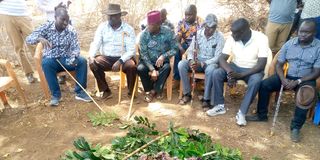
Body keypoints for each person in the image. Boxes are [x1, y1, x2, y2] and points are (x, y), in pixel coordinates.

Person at [247, 20, 320, 142]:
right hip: (286, 76)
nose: (303, 35)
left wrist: (298, 81)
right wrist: (283, 79)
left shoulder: (318, 47)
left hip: (306, 79)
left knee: (306, 94)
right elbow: (279, 65)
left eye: (307, 33)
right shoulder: (289, 44)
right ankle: (261, 114)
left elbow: (317, 72)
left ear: (314, 33)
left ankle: (296, 127)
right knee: (264, 85)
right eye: (301, 31)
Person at [207, 18, 270, 126]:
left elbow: (261, 65)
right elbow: (222, 59)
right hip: (235, 66)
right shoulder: (233, 38)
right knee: (216, 73)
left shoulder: (261, 38)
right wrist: (230, 73)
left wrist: (240, 75)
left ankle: (242, 113)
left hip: (253, 70)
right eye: (232, 32)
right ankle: (219, 106)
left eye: (235, 33)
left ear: (245, 31)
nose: (232, 35)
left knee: (256, 81)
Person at [26, 7, 91, 106]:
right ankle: (56, 95)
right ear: (55, 17)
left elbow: (75, 48)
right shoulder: (47, 26)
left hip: (67, 59)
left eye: (67, 20)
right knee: (46, 63)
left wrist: (73, 57)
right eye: (62, 19)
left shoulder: (71, 30)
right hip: (51, 59)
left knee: (82, 61)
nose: (65, 23)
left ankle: (80, 92)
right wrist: (39, 38)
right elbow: (29, 38)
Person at [88, 3, 136, 100]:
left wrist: (120, 61)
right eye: (109, 15)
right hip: (107, 58)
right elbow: (96, 43)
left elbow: (131, 50)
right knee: (94, 63)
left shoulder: (128, 29)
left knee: (131, 66)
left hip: (123, 58)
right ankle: (105, 90)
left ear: (119, 16)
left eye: (113, 15)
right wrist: (91, 57)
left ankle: (131, 92)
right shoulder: (102, 27)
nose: (110, 18)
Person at [178, 13, 224, 108]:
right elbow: (190, 50)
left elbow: (217, 57)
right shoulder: (198, 34)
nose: (211, 30)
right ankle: (187, 94)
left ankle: (206, 99)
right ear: (205, 26)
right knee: (181, 64)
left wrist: (203, 63)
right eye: (209, 27)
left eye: (213, 27)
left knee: (211, 70)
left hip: (210, 63)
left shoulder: (220, 37)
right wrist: (191, 60)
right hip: (197, 62)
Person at [138, 10, 178, 103]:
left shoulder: (168, 32)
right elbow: (143, 53)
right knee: (140, 68)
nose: (148, 27)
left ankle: (153, 92)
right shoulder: (144, 34)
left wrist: (164, 56)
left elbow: (175, 49)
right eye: (148, 24)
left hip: (162, 62)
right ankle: (151, 90)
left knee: (167, 67)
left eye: (151, 25)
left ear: (159, 24)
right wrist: (152, 69)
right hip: (148, 62)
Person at [0, 0, 36, 83]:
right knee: (18, 46)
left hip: (22, 13)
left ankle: (45, 69)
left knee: (34, 43)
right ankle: (28, 73)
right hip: (6, 14)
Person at [174, 4, 203, 83]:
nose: (186, 17)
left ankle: (199, 80)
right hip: (186, 44)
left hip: (198, 45)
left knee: (201, 55)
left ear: (195, 14)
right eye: (186, 15)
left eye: (189, 15)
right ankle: (177, 78)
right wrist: (181, 49)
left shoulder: (201, 22)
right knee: (176, 50)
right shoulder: (181, 22)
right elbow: (177, 39)